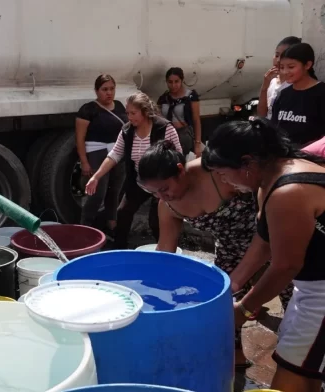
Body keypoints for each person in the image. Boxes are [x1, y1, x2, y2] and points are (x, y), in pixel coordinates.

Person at [138, 139, 293, 369]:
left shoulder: (216, 172)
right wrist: (150, 293)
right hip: (230, 249)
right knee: (223, 304)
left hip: (271, 238)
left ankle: (296, 359)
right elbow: (165, 253)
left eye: (164, 188)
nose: (162, 196)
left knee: (292, 295)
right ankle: (236, 357)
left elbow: (268, 188)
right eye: (154, 192)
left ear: (180, 171)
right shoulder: (168, 206)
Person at [203, 117, 325, 391]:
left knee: (292, 374)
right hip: (309, 290)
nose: (225, 182)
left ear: (247, 163)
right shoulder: (270, 180)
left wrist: (243, 310)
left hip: (321, 293)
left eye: (223, 173)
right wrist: (232, 284)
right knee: (302, 364)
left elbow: (285, 266)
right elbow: (265, 241)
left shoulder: (288, 192)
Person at [85, 92, 182, 249]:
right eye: (127, 113)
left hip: (162, 183)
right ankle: (120, 250)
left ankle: (167, 252)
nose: (129, 117)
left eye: (133, 113)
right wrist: (96, 177)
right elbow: (114, 155)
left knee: (156, 221)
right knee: (123, 213)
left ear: (144, 111)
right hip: (139, 182)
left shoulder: (164, 128)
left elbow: (179, 156)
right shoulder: (127, 131)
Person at [75, 74, 127, 232]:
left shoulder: (119, 106)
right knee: (97, 193)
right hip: (97, 153)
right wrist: (84, 161)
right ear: (97, 91)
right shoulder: (88, 110)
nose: (109, 93)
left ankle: (112, 224)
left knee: (115, 190)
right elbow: (80, 138)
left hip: (118, 153)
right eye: (104, 89)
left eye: (112, 89)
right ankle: (86, 226)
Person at [270, 42, 325, 148]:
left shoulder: (321, 93)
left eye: (291, 67)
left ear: (307, 65)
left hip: (312, 160)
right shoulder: (283, 94)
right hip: (285, 158)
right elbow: (274, 128)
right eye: (282, 67)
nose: (285, 72)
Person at [157, 67, 202, 157]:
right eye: (170, 82)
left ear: (181, 80)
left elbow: (196, 120)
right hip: (168, 137)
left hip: (184, 136)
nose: (173, 85)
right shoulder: (163, 98)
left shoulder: (190, 97)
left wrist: (198, 143)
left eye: (176, 81)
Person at [257, 36, 302, 120]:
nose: (278, 60)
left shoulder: (297, 84)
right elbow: (262, 114)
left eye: (284, 56)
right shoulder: (272, 82)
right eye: (277, 55)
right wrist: (264, 87)